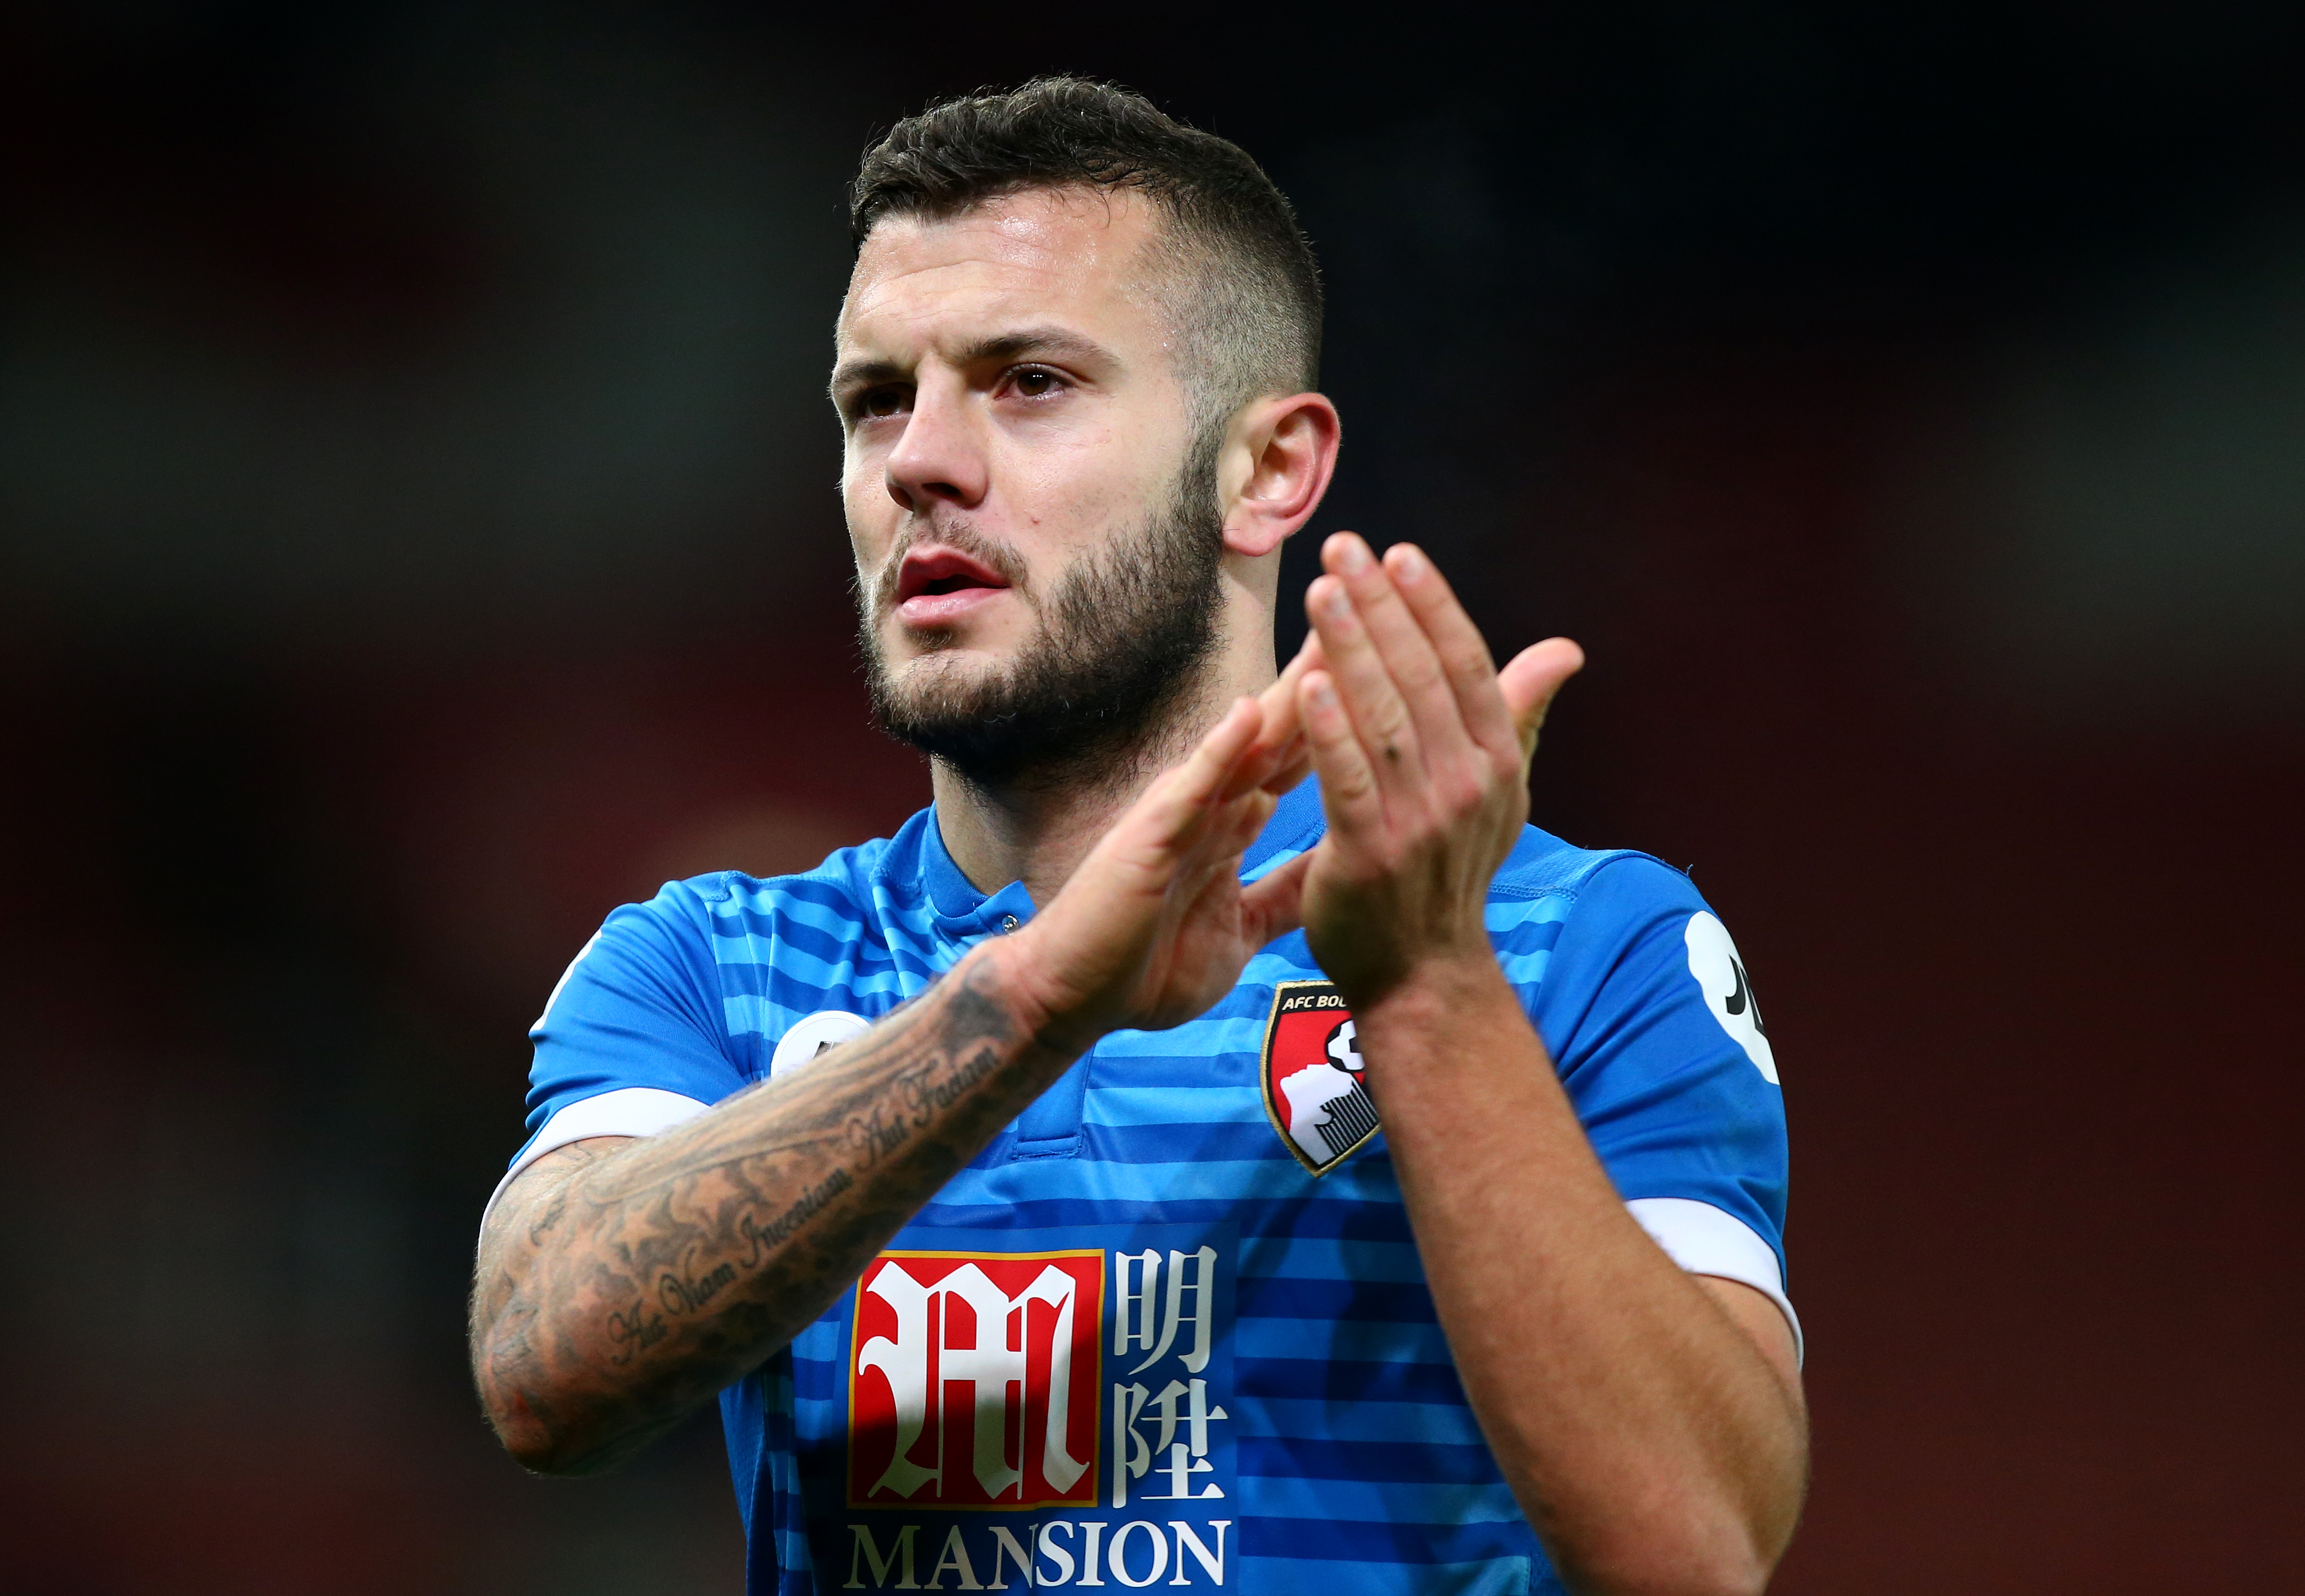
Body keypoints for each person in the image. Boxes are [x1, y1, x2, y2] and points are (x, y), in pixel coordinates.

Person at [469, 78, 1806, 1596]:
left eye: (1028, 381)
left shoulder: (1577, 948)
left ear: (1267, 473)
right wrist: (1033, 1001)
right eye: (874, 400)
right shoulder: (710, 968)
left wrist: (1428, 990)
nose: (919, 461)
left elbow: (1693, 1553)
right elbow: (540, 1374)